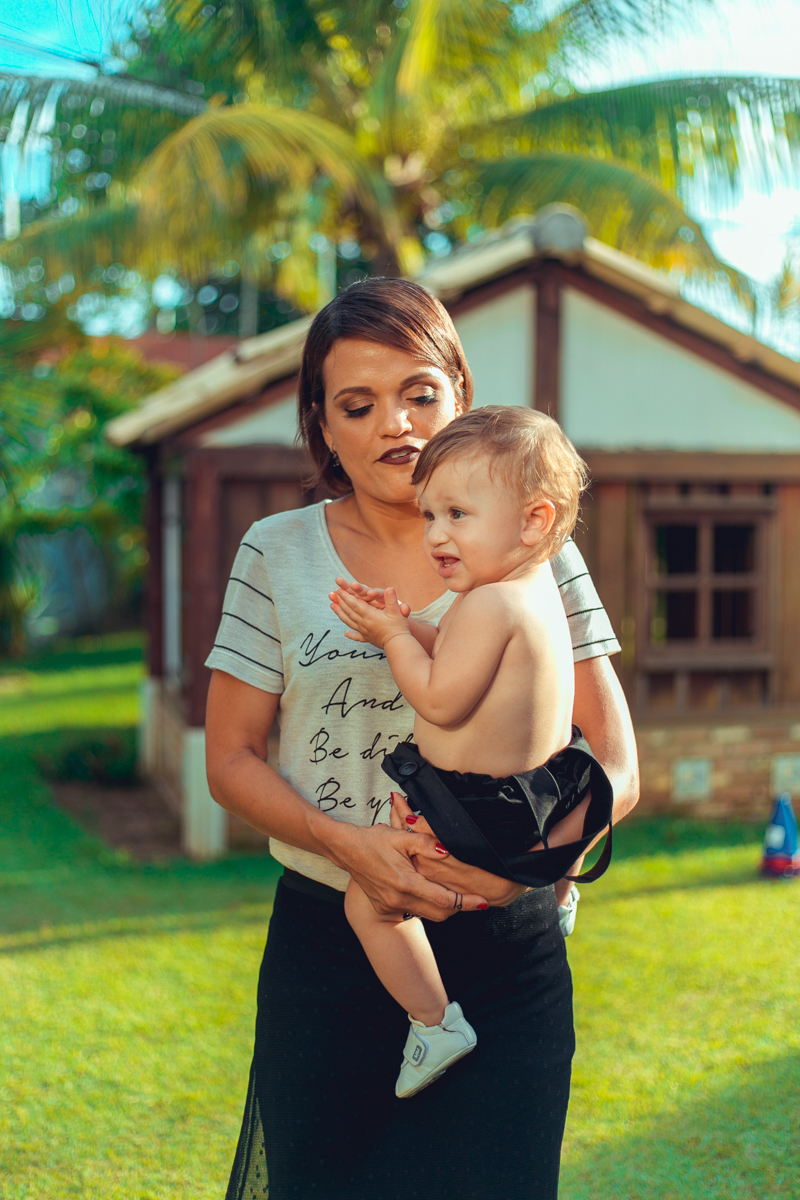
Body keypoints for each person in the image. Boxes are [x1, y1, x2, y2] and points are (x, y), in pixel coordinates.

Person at [205, 277, 639, 1200]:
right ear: (321, 424)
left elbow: (617, 761)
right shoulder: (275, 551)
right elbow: (230, 761)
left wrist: (527, 865)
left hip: (504, 949)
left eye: (420, 394)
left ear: (460, 397)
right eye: (357, 406)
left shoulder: (535, 548)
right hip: (333, 947)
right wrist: (352, 846)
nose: (394, 424)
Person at [331, 405, 612, 1101]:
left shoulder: (488, 605)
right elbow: (464, 668)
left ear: (533, 521)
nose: (436, 535)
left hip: (470, 825)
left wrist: (395, 640)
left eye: (457, 514)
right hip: (527, 811)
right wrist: (402, 627)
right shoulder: (528, 592)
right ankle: (561, 891)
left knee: (367, 906)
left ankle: (434, 1023)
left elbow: (440, 700)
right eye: (430, 515)